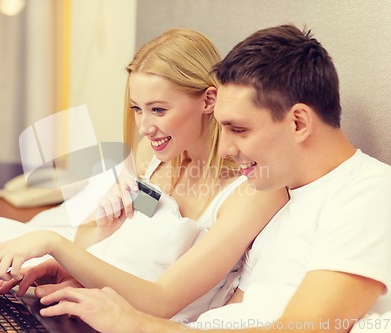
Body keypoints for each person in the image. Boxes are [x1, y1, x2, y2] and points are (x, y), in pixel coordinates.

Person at [23, 24, 391, 333]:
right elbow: (224, 308)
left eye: (238, 129)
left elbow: (304, 329)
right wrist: (84, 277)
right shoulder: (285, 195)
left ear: (298, 122)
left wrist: (133, 322)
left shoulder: (368, 193)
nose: (226, 148)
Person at [0, 28, 287, 322]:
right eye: (137, 108)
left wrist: (53, 243)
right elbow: (95, 241)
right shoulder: (153, 157)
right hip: (90, 306)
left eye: (158, 109)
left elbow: (162, 301)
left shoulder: (253, 191)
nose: (144, 127)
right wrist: (74, 264)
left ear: (208, 100)